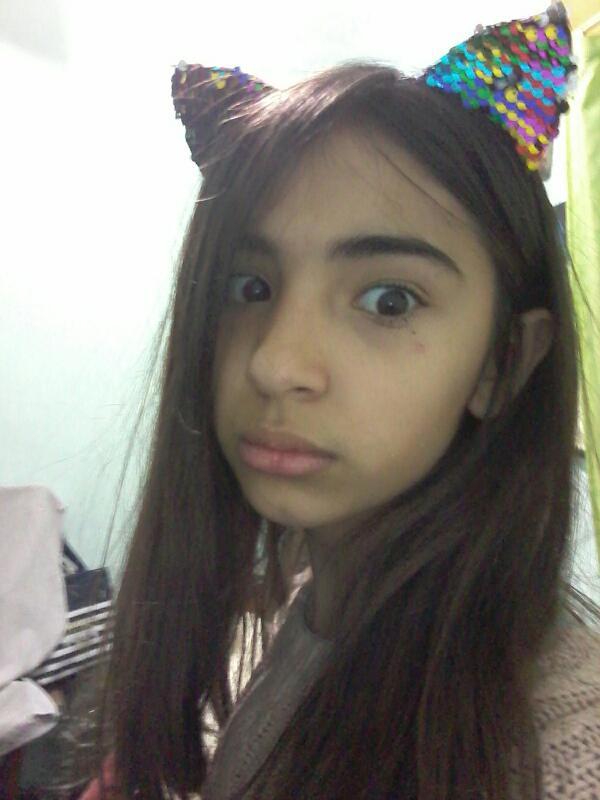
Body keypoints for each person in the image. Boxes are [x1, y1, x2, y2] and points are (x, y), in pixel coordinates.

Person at [83, 5, 600, 799]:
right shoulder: (286, 619)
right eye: (248, 287)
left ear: (503, 362)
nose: (274, 363)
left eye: (389, 300)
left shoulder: (564, 743)